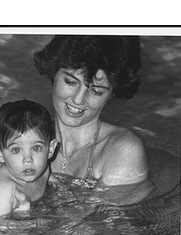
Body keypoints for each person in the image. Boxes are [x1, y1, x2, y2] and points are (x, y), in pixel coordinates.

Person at [33, 35, 148, 186]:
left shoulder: (124, 150)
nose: (78, 100)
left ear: (112, 94)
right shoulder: (24, 137)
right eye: (70, 82)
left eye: (96, 91)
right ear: (53, 74)